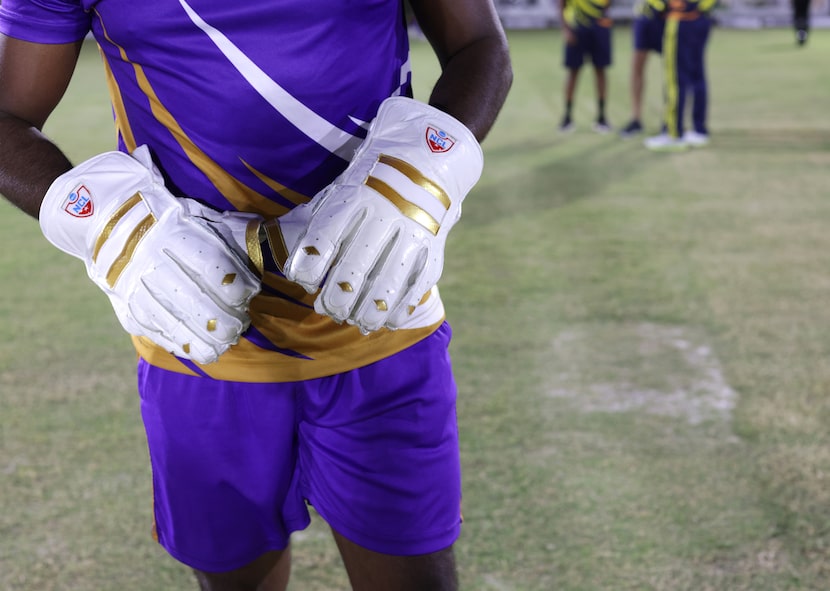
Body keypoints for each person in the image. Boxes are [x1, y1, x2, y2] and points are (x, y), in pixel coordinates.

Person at [0, 1, 512, 590]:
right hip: (202, 341)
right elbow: (8, 115)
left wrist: (426, 167)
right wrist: (104, 223)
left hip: (380, 320)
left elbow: (480, 45)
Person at [644, 0, 716, 151]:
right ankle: (699, 130)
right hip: (699, 20)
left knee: (675, 79)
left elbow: (657, 5)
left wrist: (660, 7)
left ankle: (674, 133)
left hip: (680, 21)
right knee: (697, 76)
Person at [558, 0, 614, 133]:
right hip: (576, 28)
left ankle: (601, 117)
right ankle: (567, 117)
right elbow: (561, 4)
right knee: (573, 72)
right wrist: (565, 28)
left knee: (600, 70)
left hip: (599, 28)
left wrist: (602, 19)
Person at [619, 0, 667, 138]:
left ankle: (669, 119)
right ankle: (636, 119)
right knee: (636, 67)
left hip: (667, 15)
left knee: (671, 70)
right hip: (644, 15)